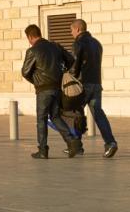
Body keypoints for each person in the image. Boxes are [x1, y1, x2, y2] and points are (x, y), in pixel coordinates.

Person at [21, 24, 83, 159]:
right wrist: (62, 73)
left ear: (30, 37)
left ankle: (43, 150)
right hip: (57, 88)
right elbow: (71, 60)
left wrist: (37, 81)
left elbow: (25, 72)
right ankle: (72, 141)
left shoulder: (32, 51)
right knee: (55, 116)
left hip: (43, 90)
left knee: (41, 119)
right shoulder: (55, 46)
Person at [70, 19, 118, 158]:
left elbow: (75, 66)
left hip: (83, 84)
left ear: (78, 29)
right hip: (96, 83)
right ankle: (110, 143)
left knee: (75, 113)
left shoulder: (78, 43)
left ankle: (76, 146)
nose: (71, 33)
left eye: (72, 30)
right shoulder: (97, 43)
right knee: (98, 114)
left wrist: (68, 78)